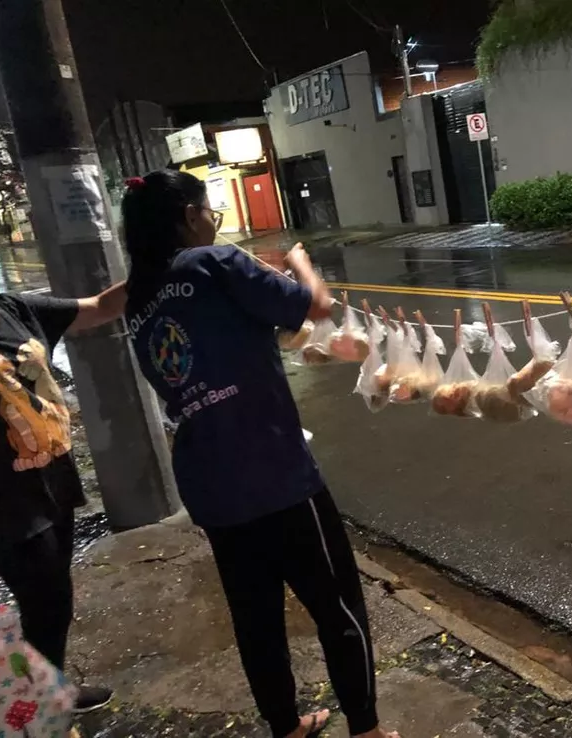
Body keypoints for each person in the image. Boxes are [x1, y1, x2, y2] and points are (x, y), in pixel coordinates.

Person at [120, 170, 399, 738]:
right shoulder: (214, 263)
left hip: (210, 487)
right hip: (276, 473)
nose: (212, 221)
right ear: (188, 217)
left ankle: (286, 726)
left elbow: (218, 347)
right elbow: (315, 307)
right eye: (208, 210)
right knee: (337, 606)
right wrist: (300, 261)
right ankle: (366, 730)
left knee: (256, 619)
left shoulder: (139, 301)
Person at [0, 229, 120, 713]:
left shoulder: (12, 309)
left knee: (53, 597)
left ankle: (48, 690)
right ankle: (36, 705)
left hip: (51, 476)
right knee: (46, 596)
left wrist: (163, 261)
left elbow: (100, 306)